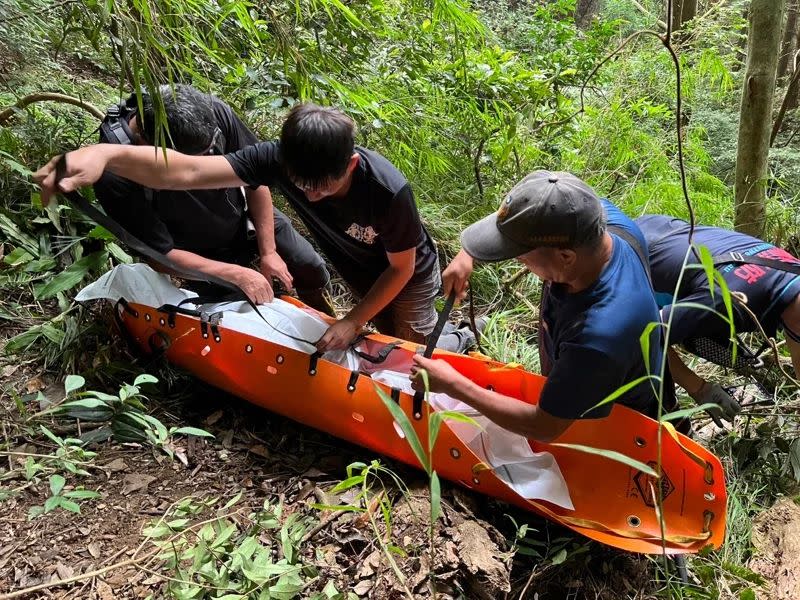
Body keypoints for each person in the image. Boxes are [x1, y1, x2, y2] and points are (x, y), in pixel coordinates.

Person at [34, 101, 473, 353]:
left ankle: (456, 338)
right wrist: (104, 156)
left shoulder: (387, 191)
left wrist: (354, 321)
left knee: (412, 345)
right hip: (358, 267)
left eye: (324, 186)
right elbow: (183, 172)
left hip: (407, 271)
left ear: (352, 164)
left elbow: (399, 271)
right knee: (384, 343)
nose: (312, 195)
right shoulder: (275, 159)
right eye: (303, 185)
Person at [410, 171, 667, 442]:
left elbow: (543, 427)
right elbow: (542, 211)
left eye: (520, 256)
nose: (517, 261)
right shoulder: (598, 221)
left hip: (611, 426)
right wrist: (469, 253)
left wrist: (452, 384)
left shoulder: (598, 335)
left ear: (565, 257)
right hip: (580, 375)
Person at [94, 84, 332, 312]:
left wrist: (268, 251)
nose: (207, 162)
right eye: (194, 161)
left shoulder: (212, 113)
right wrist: (235, 274)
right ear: (154, 150)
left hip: (245, 216)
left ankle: (321, 315)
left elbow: (255, 182)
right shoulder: (115, 174)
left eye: (210, 151)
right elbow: (159, 254)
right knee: (240, 310)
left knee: (309, 266)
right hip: (195, 252)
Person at [635, 214, 800, 424]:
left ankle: (685, 328)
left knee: (735, 352)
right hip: (628, 255)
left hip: (663, 229)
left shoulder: (792, 267)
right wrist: (699, 388)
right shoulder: (727, 302)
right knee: (646, 385)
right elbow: (641, 335)